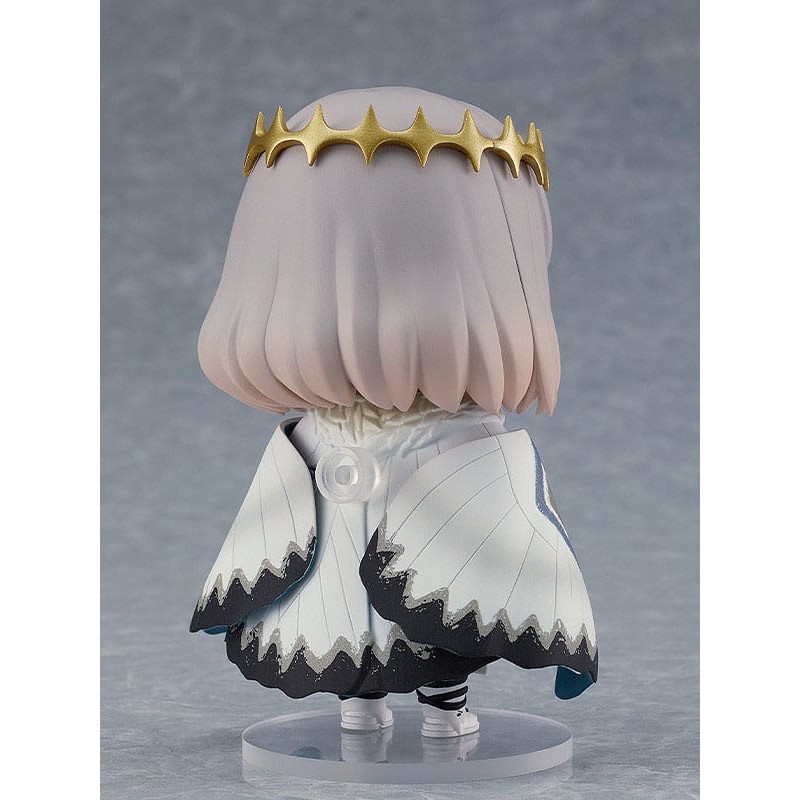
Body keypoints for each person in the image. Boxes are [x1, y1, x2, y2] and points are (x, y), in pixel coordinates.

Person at [190, 86, 597, 739]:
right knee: (345, 630)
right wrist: (237, 583)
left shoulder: (464, 435)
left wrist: (556, 614)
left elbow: (512, 515)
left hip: (433, 562)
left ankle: (441, 706)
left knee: (432, 636)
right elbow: (275, 506)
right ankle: (365, 703)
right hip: (336, 571)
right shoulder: (314, 434)